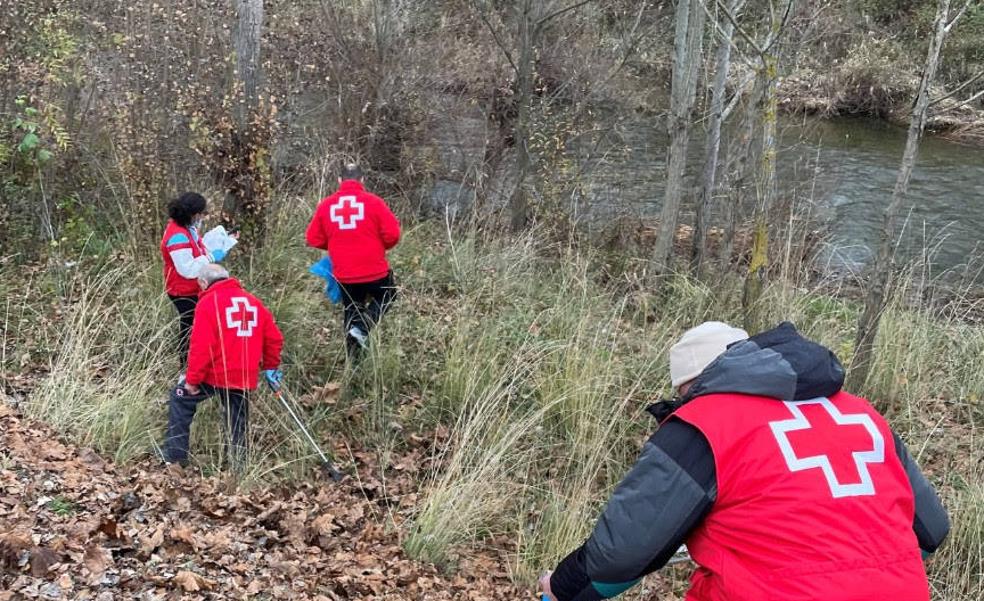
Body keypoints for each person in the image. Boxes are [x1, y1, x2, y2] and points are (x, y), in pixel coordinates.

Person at [539, 321, 950, 601]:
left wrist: (562, 587)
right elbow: (931, 533)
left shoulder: (703, 423)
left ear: (692, 385)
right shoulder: (864, 415)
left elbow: (623, 554)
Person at [161, 264, 283, 469]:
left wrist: (192, 381)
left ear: (203, 283)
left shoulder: (208, 303)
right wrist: (271, 366)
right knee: (237, 419)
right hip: (245, 374)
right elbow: (274, 338)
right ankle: (239, 466)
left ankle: (175, 457)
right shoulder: (254, 302)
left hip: (215, 374)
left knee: (180, 398)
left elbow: (201, 346)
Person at [305, 163, 400, 357]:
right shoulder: (374, 202)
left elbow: (313, 238)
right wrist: (379, 248)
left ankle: (354, 364)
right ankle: (364, 327)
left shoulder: (326, 205)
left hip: (344, 273)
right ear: (362, 180)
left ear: (339, 181)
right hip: (375, 270)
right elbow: (393, 234)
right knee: (388, 295)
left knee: (351, 310)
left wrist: (336, 246)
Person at [161, 192, 230, 382]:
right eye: (201, 213)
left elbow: (197, 248)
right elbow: (187, 269)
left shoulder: (187, 228)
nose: (202, 217)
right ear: (192, 213)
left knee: (196, 328)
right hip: (182, 289)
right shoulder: (177, 236)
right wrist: (211, 257)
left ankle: (198, 367)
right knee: (190, 330)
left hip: (194, 287)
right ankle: (185, 373)